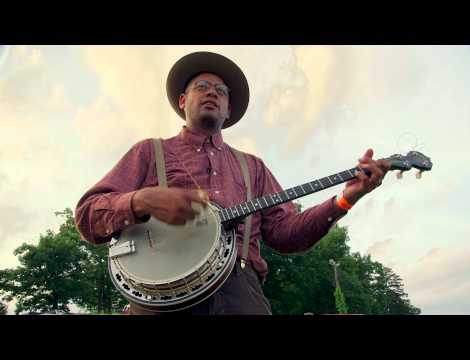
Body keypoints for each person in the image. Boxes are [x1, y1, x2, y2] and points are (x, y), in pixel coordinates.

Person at [75, 51, 389, 315]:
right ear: (183, 101)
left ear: (229, 110)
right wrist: (140, 200)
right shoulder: (149, 151)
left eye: (221, 91)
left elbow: (287, 234)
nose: (212, 93)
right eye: (202, 87)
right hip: (159, 300)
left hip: (242, 292)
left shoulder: (253, 167)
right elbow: (88, 216)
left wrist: (345, 200)